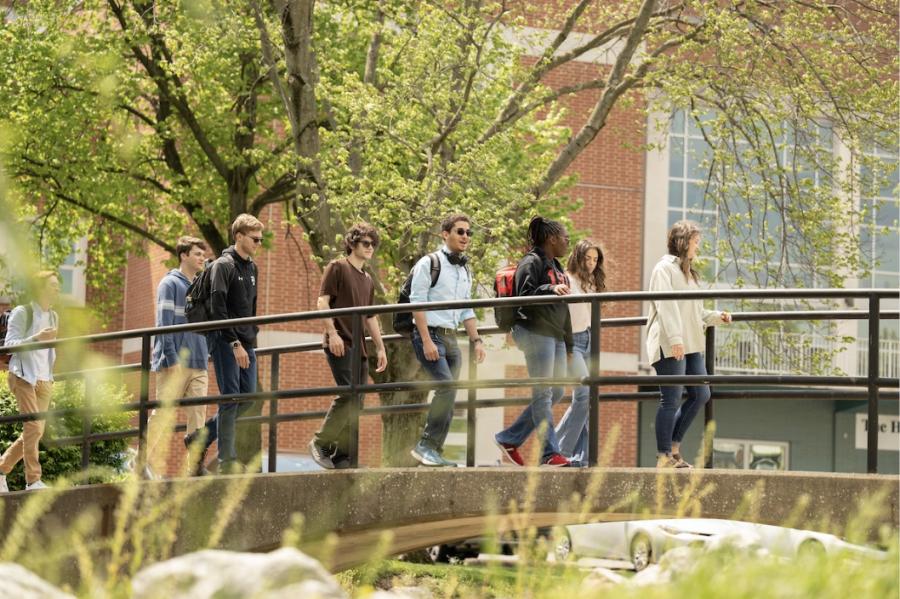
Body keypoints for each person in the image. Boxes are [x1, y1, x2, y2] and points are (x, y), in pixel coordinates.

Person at [647, 220, 731, 468]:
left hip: (692, 344)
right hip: (670, 343)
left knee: (701, 394)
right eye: (695, 242)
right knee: (670, 400)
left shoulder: (689, 273)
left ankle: (674, 448)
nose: (697, 247)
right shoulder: (664, 269)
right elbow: (666, 305)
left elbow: (694, 311)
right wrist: (675, 339)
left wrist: (717, 317)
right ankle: (664, 456)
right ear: (683, 242)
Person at [495, 217, 573, 467]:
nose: (567, 241)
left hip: (555, 335)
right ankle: (549, 454)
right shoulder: (531, 261)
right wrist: (549, 289)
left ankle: (509, 438)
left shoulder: (557, 265)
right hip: (535, 333)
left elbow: (564, 308)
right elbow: (524, 295)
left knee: (557, 390)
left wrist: (569, 344)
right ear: (551, 238)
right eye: (564, 236)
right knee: (543, 393)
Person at [409, 214, 486, 467]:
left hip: (452, 339)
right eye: (460, 231)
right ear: (445, 234)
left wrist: (477, 340)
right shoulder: (429, 263)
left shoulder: (465, 269)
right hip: (430, 335)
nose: (465, 237)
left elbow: (466, 309)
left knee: (451, 394)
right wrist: (426, 340)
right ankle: (425, 445)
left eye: (468, 233)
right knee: (446, 387)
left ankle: (434, 451)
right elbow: (417, 304)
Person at [309, 223, 388, 469]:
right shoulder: (337, 267)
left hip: (360, 348)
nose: (370, 248)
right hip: (339, 342)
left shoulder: (368, 280)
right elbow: (322, 303)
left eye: (373, 244)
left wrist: (381, 347)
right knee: (348, 395)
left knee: (358, 402)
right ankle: (321, 442)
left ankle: (342, 455)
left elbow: (370, 317)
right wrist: (332, 334)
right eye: (365, 243)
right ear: (352, 244)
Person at [147, 236, 210, 478]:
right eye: (197, 254)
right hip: (174, 362)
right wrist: (170, 358)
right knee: (163, 415)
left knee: (198, 416)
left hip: (199, 361)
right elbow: (163, 323)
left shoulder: (201, 286)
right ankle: (141, 464)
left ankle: (193, 467)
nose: (202, 258)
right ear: (183, 255)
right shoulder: (169, 284)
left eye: (203, 255)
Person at [208, 213, 264, 473]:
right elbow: (217, 309)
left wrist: (250, 339)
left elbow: (250, 308)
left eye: (261, 240)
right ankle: (226, 460)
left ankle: (200, 438)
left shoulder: (252, 268)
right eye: (254, 239)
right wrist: (234, 344)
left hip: (247, 341)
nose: (258, 244)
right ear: (239, 236)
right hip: (225, 341)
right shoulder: (223, 265)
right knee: (230, 398)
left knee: (248, 397)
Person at [0, 271, 61, 492]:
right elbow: (9, 345)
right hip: (23, 376)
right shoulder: (22, 313)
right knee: (33, 427)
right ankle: (33, 480)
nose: (57, 289)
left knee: (35, 431)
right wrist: (36, 338)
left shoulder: (54, 316)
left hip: (44, 380)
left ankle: (1, 469)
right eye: (53, 285)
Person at [555, 239, 607, 467]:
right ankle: (561, 451)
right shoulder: (566, 278)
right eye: (588, 258)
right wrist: (566, 345)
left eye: (595, 260)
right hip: (571, 342)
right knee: (584, 395)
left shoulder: (592, 283)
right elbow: (561, 316)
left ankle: (579, 456)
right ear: (578, 257)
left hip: (588, 340)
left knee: (585, 400)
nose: (592, 264)